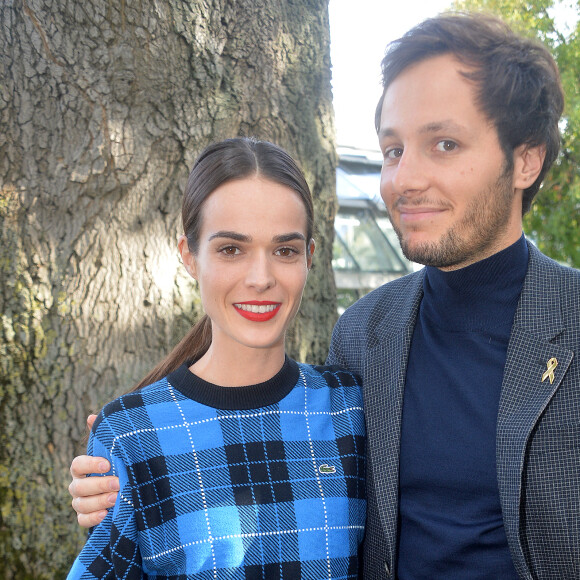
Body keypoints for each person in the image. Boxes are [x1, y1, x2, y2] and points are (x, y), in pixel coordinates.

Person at [69, 12, 580, 579]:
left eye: (443, 143)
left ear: (526, 161)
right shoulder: (366, 334)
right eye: (393, 150)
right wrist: (132, 467)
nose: (404, 178)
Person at [67, 137, 366, 579]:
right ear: (190, 256)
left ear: (309, 258)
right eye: (231, 249)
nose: (261, 278)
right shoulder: (131, 435)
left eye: (284, 250)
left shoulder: (351, 406)